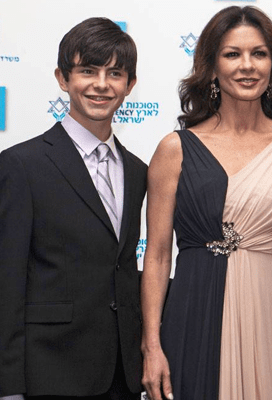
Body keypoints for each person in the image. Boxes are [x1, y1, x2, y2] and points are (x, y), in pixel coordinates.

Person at [140, 6, 272, 400]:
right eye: (232, 54)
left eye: (259, 54)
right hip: (194, 311)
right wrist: (152, 345)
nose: (247, 66)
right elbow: (156, 256)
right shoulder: (175, 149)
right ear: (211, 67)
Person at [0, 18, 147, 400]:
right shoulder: (21, 165)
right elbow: (6, 282)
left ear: (130, 85)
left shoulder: (138, 171)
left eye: (115, 73)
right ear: (63, 79)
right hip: (49, 371)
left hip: (123, 374)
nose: (101, 84)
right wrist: (8, 386)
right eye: (87, 71)